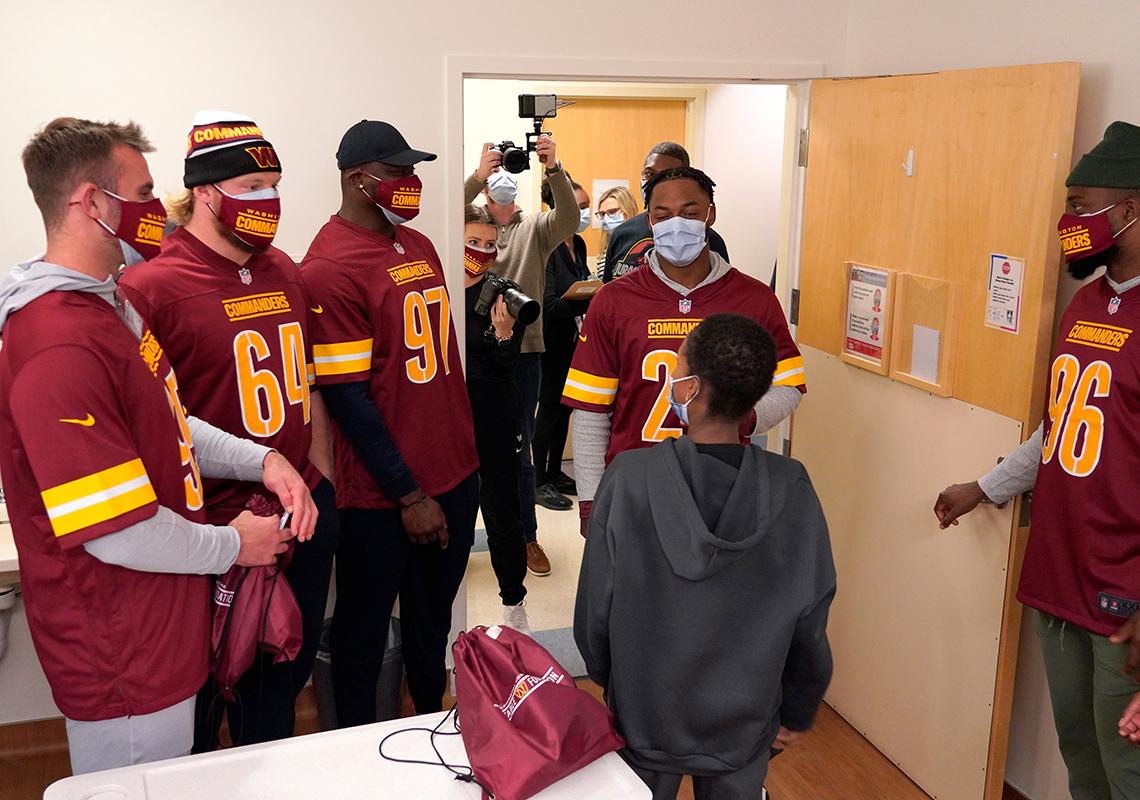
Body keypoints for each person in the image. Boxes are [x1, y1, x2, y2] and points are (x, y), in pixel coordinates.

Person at [0, 117, 307, 773]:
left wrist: (263, 457)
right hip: (122, 654)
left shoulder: (106, 306)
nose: (153, 208)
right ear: (92, 203)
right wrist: (236, 543)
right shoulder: (58, 342)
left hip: (162, 628)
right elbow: (119, 532)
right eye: (140, 192)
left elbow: (169, 420)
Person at [117, 110, 338, 751]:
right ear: (207, 192)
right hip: (212, 536)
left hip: (298, 518)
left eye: (275, 182)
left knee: (273, 707)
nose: (268, 199)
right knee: (195, 713)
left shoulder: (284, 270)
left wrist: (319, 482)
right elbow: (148, 425)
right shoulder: (149, 285)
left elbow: (310, 385)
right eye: (251, 185)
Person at [933, 121, 1140, 799]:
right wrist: (987, 486)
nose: (1069, 222)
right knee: (1081, 754)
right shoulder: (1086, 303)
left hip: (1126, 589)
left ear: (1130, 209)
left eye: (1082, 207)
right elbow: (1064, 426)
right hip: (1061, 568)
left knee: (1127, 768)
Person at [575, 313, 835, 800]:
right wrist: (798, 709)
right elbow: (810, 615)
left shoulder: (629, 479)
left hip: (646, 711)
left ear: (690, 388)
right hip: (746, 718)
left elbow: (596, 609)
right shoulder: (790, 486)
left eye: (678, 368)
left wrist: (615, 684)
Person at [301, 120, 479, 723]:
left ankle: (431, 729)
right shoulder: (329, 265)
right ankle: (354, 752)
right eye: (398, 172)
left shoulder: (419, 244)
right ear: (359, 179)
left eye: (413, 169)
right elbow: (348, 397)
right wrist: (408, 492)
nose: (412, 181)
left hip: (452, 472)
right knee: (363, 632)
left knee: (432, 626)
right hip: (385, 497)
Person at [565, 167, 807, 538]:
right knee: (636, 593)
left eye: (690, 213)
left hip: (723, 482)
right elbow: (590, 410)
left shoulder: (754, 298)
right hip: (635, 483)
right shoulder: (613, 300)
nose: (676, 223)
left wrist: (741, 421)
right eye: (663, 215)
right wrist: (591, 499)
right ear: (649, 220)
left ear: (711, 213)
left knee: (719, 592)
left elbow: (788, 387)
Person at [464, 138, 579, 577]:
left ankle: (527, 537)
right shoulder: (468, 222)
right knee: (466, 451)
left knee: (518, 451)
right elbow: (447, 210)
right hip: (468, 350)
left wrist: (553, 167)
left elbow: (568, 217)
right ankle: (465, 536)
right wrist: (478, 174)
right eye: (499, 173)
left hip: (524, 352)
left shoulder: (534, 227)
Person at [462, 204, 532, 632]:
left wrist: (504, 334)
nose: (482, 251)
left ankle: (514, 602)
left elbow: (506, 367)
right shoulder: (438, 287)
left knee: (503, 512)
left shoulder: (505, 294)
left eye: (490, 244)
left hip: (494, 412)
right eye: (473, 242)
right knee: (451, 511)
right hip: (448, 415)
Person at [533, 179, 592, 509]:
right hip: (549, 340)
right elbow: (548, 303)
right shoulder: (547, 245)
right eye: (577, 207)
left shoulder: (578, 244)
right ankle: (538, 480)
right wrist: (589, 298)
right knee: (549, 410)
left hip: (573, 338)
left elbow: (579, 285)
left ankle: (555, 472)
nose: (582, 213)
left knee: (564, 407)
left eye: (584, 207)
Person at [602, 143, 730, 283]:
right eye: (649, 174)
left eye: (667, 174)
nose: (655, 181)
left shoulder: (707, 238)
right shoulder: (622, 234)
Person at [595, 185, 639, 269]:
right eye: (603, 214)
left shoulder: (642, 243)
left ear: (630, 209)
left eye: (613, 211)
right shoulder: (606, 246)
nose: (606, 219)